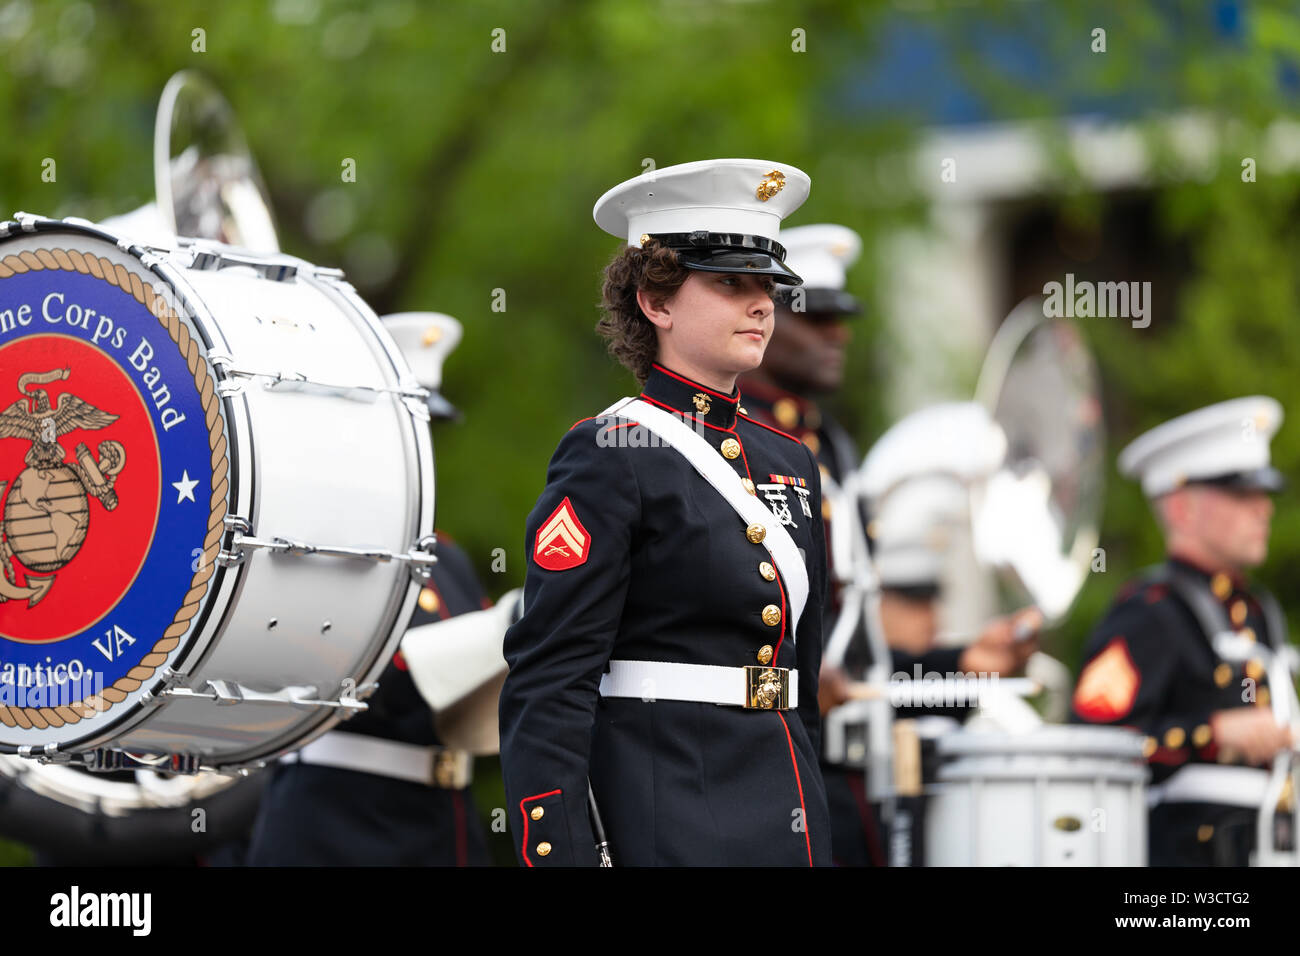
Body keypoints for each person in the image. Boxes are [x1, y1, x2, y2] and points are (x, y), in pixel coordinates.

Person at [499, 159, 832, 866]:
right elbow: (550, 681)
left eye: (768, 285)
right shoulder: (610, 452)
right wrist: (559, 851)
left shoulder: (791, 462)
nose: (762, 304)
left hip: (788, 812)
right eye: (730, 282)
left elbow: (805, 669)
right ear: (657, 301)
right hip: (669, 816)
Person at [737, 227, 1036, 864]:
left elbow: (854, 661)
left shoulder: (833, 448)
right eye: (816, 318)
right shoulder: (731, 439)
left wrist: (963, 662)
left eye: (841, 320)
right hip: (765, 769)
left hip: (854, 776)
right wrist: (790, 681)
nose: (837, 335)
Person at [246, 313, 492, 867]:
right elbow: (363, 679)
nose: (421, 451)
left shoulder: (445, 556)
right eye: (408, 431)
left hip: (442, 825)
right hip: (336, 829)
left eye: (428, 431)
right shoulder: (311, 549)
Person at [1072, 396, 1293, 866]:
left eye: (1263, 495)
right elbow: (1090, 744)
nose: (1264, 511)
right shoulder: (1151, 614)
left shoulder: (1256, 611)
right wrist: (1209, 732)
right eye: (1241, 495)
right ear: (1181, 510)